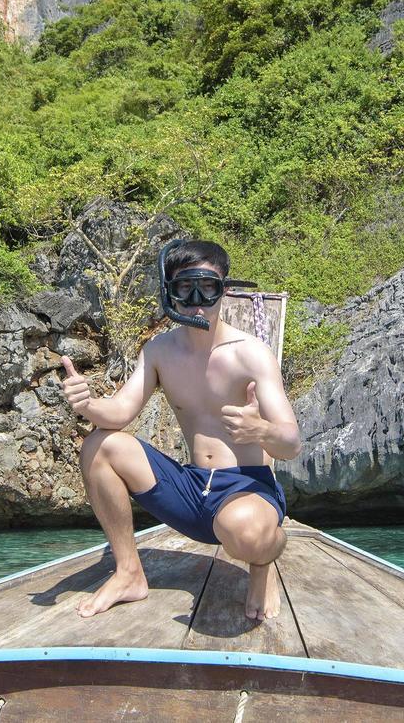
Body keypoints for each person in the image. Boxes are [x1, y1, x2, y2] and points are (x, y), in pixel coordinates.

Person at [59, 239, 301, 621]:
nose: (197, 299)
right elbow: (120, 411)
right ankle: (129, 574)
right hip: (192, 488)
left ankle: (263, 561)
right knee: (100, 446)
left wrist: (261, 429)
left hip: (245, 490)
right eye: (185, 288)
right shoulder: (160, 351)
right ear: (169, 292)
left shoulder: (251, 353)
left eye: (208, 287)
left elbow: (291, 443)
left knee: (245, 532)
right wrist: (88, 404)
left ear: (224, 288)